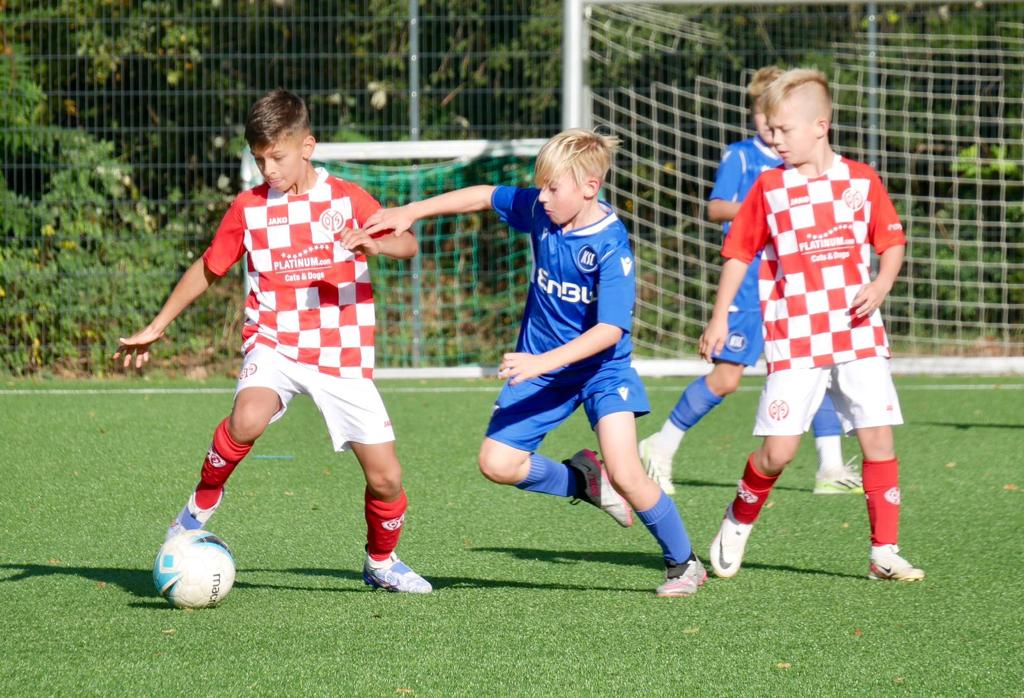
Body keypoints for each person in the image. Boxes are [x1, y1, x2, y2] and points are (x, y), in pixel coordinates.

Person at [114, 89, 432, 594]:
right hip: (275, 343)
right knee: (247, 417)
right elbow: (209, 267)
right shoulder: (249, 208)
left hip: (341, 354)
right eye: (259, 158)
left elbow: (407, 242)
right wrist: (158, 325)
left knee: (386, 478)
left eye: (277, 157)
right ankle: (198, 508)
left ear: (308, 146)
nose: (268, 169)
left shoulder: (347, 199)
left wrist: (375, 242)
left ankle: (381, 562)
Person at [364, 129, 706, 597]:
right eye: (540, 186)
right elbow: (485, 195)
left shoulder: (610, 246)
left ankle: (684, 564)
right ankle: (583, 481)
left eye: (552, 187)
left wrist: (542, 361)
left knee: (627, 473)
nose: (541, 196)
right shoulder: (544, 212)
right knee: (497, 463)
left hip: (600, 371)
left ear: (590, 187)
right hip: (543, 367)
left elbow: (609, 331)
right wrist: (412, 211)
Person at [699, 68, 923, 582]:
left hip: (858, 332)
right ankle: (739, 517)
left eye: (784, 130)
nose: (775, 140)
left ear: (820, 126)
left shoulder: (861, 180)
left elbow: (891, 241)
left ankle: (884, 551)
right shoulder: (769, 187)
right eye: (771, 130)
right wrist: (719, 316)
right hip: (795, 336)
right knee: (778, 452)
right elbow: (738, 253)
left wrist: (882, 283)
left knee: (878, 441)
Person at [639, 66, 860, 497]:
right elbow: (716, 207)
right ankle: (660, 446)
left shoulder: (800, 158)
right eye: (761, 113)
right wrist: (766, 206)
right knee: (726, 378)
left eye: (775, 116)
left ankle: (830, 467)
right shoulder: (742, 156)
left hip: (793, 281)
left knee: (816, 364)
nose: (768, 124)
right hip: (748, 282)